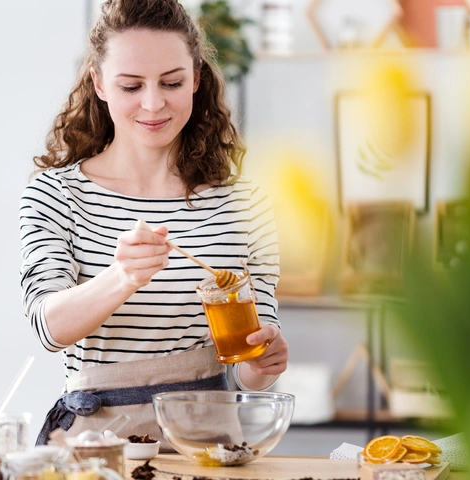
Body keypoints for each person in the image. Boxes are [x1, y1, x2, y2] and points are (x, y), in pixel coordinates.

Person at [20, 0, 288, 448]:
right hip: (97, 446)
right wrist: (121, 277)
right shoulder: (56, 195)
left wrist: (263, 364)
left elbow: (249, 364)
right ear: (99, 84)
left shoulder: (246, 204)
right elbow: (48, 327)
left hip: (207, 442)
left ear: (197, 79)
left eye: (172, 82)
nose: (152, 103)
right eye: (131, 85)